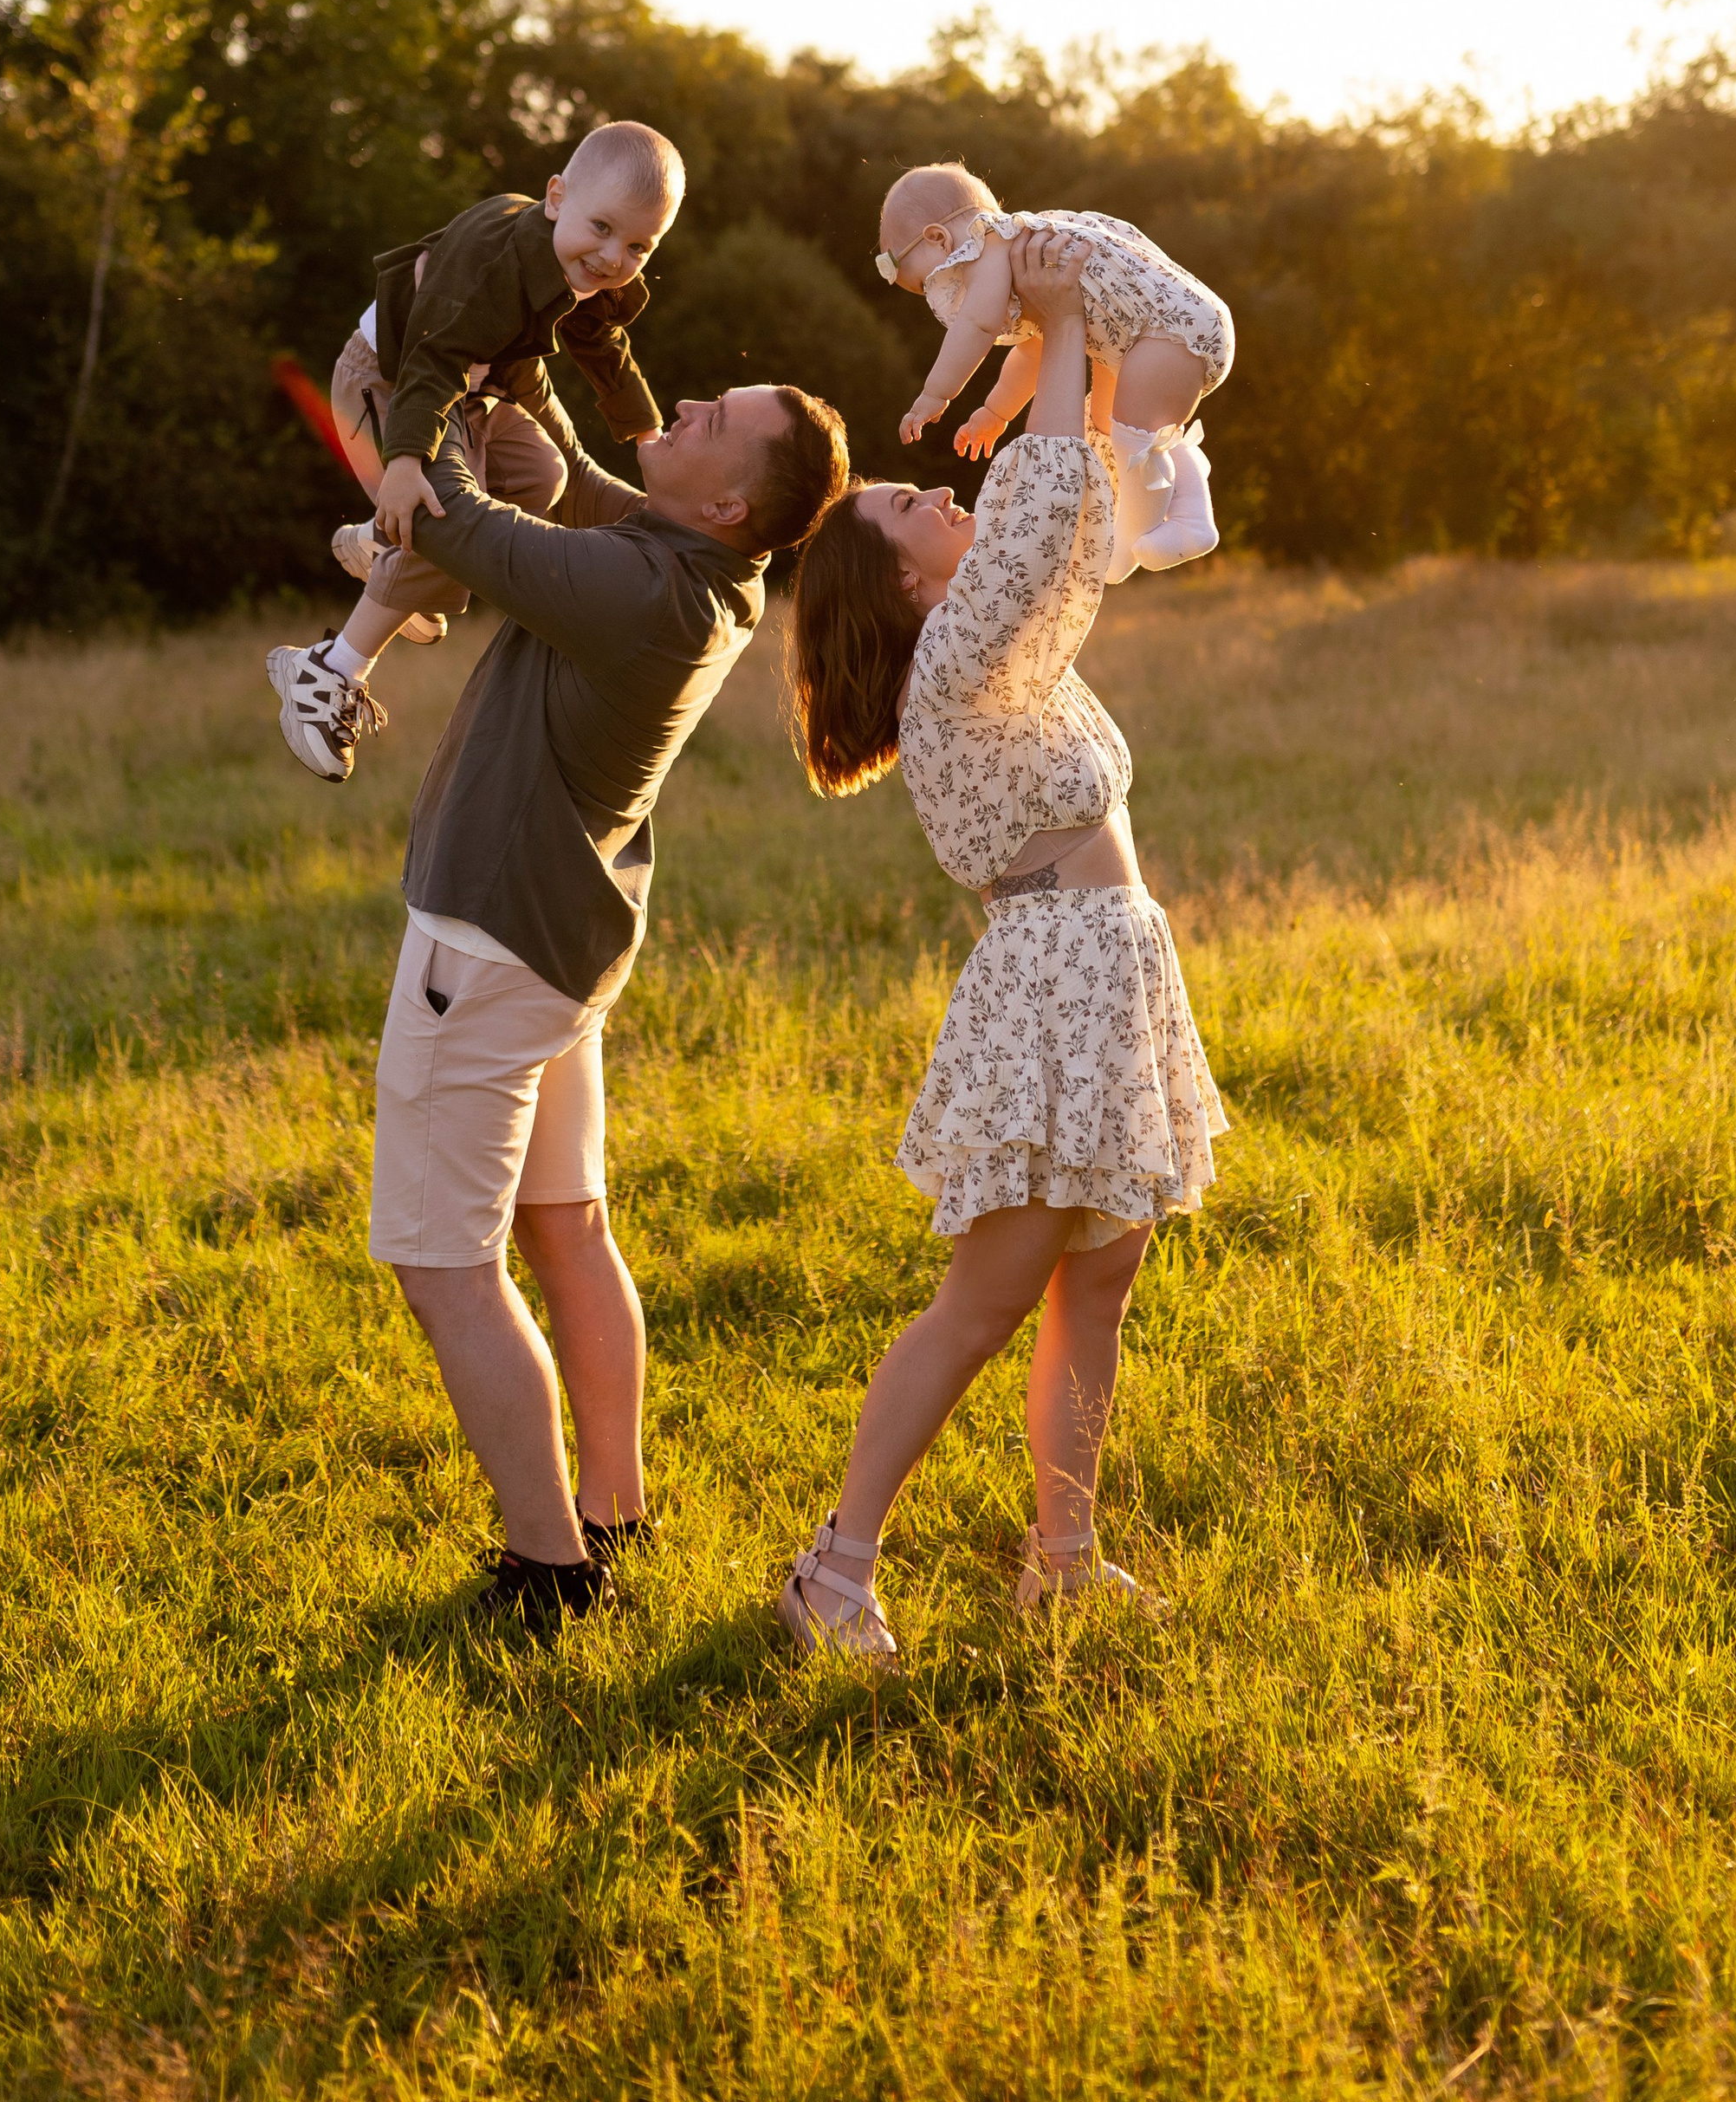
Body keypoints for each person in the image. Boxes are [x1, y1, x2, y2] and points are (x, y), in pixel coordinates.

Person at [781, 230, 1226, 1665]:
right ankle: (833, 1574)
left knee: (1097, 1283)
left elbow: (1075, 525)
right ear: (903, 585)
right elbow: (1039, 516)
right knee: (984, 1301)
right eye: (916, 505)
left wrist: (1070, 358)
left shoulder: (1004, 652)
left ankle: (1065, 1563)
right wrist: (1060, 335)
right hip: (1053, 992)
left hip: (1113, 977)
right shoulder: (957, 663)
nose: (941, 499)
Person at [372, 366, 847, 1633]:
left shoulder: (642, 596)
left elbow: (451, 521)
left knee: (445, 1266)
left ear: (737, 503)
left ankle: (552, 1575)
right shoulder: (695, 574)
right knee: (566, 1226)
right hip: (557, 953)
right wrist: (539, 395)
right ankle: (616, 1508)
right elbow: (589, 491)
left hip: (482, 954)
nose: (683, 413)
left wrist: (420, 421)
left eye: (711, 422)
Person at [269, 123, 684, 780]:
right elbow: (431, 360)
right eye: (602, 228)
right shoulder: (495, 263)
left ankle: (384, 549)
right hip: (389, 381)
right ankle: (326, 671)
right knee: (443, 517)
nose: (612, 257)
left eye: (638, 245)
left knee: (546, 472)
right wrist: (404, 464)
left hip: (478, 391)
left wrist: (648, 435)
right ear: (556, 197)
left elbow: (603, 345)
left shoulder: (583, 263)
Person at [874, 163, 1234, 580]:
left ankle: (1137, 535)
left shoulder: (988, 245)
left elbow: (978, 324)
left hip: (1167, 331)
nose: (932, 297)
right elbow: (1035, 350)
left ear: (938, 239)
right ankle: (1192, 515)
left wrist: (935, 394)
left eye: (923, 284)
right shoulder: (1023, 252)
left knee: (1131, 430)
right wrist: (997, 411)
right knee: (1107, 421)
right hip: (1144, 337)